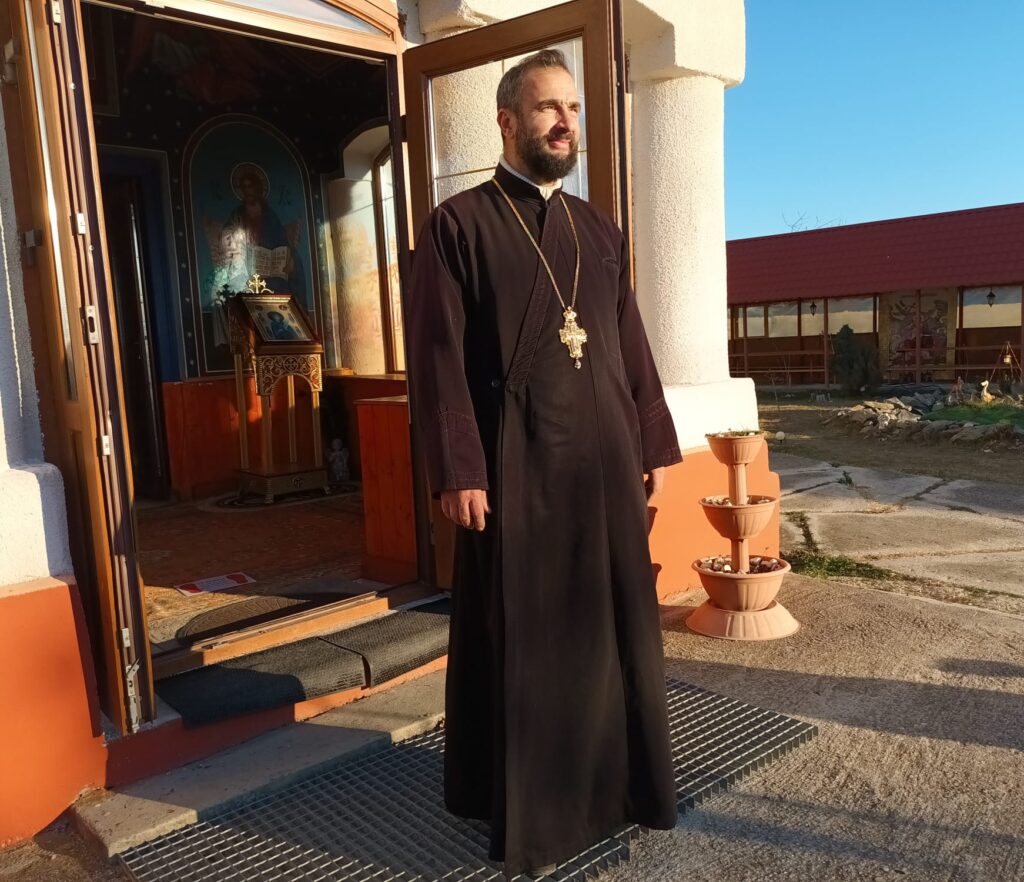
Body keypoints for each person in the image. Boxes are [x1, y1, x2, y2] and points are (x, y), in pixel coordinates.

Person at [407, 49, 682, 879]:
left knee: (612, 633)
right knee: (529, 640)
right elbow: (439, 358)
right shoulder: (457, 226)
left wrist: (650, 440)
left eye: (572, 109)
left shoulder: (598, 230)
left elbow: (628, 344)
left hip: (605, 466)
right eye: (546, 108)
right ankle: (536, 814)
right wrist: (459, 467)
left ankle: (620, 788)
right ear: (507, 121)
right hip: (516, 472)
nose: (565, 123)